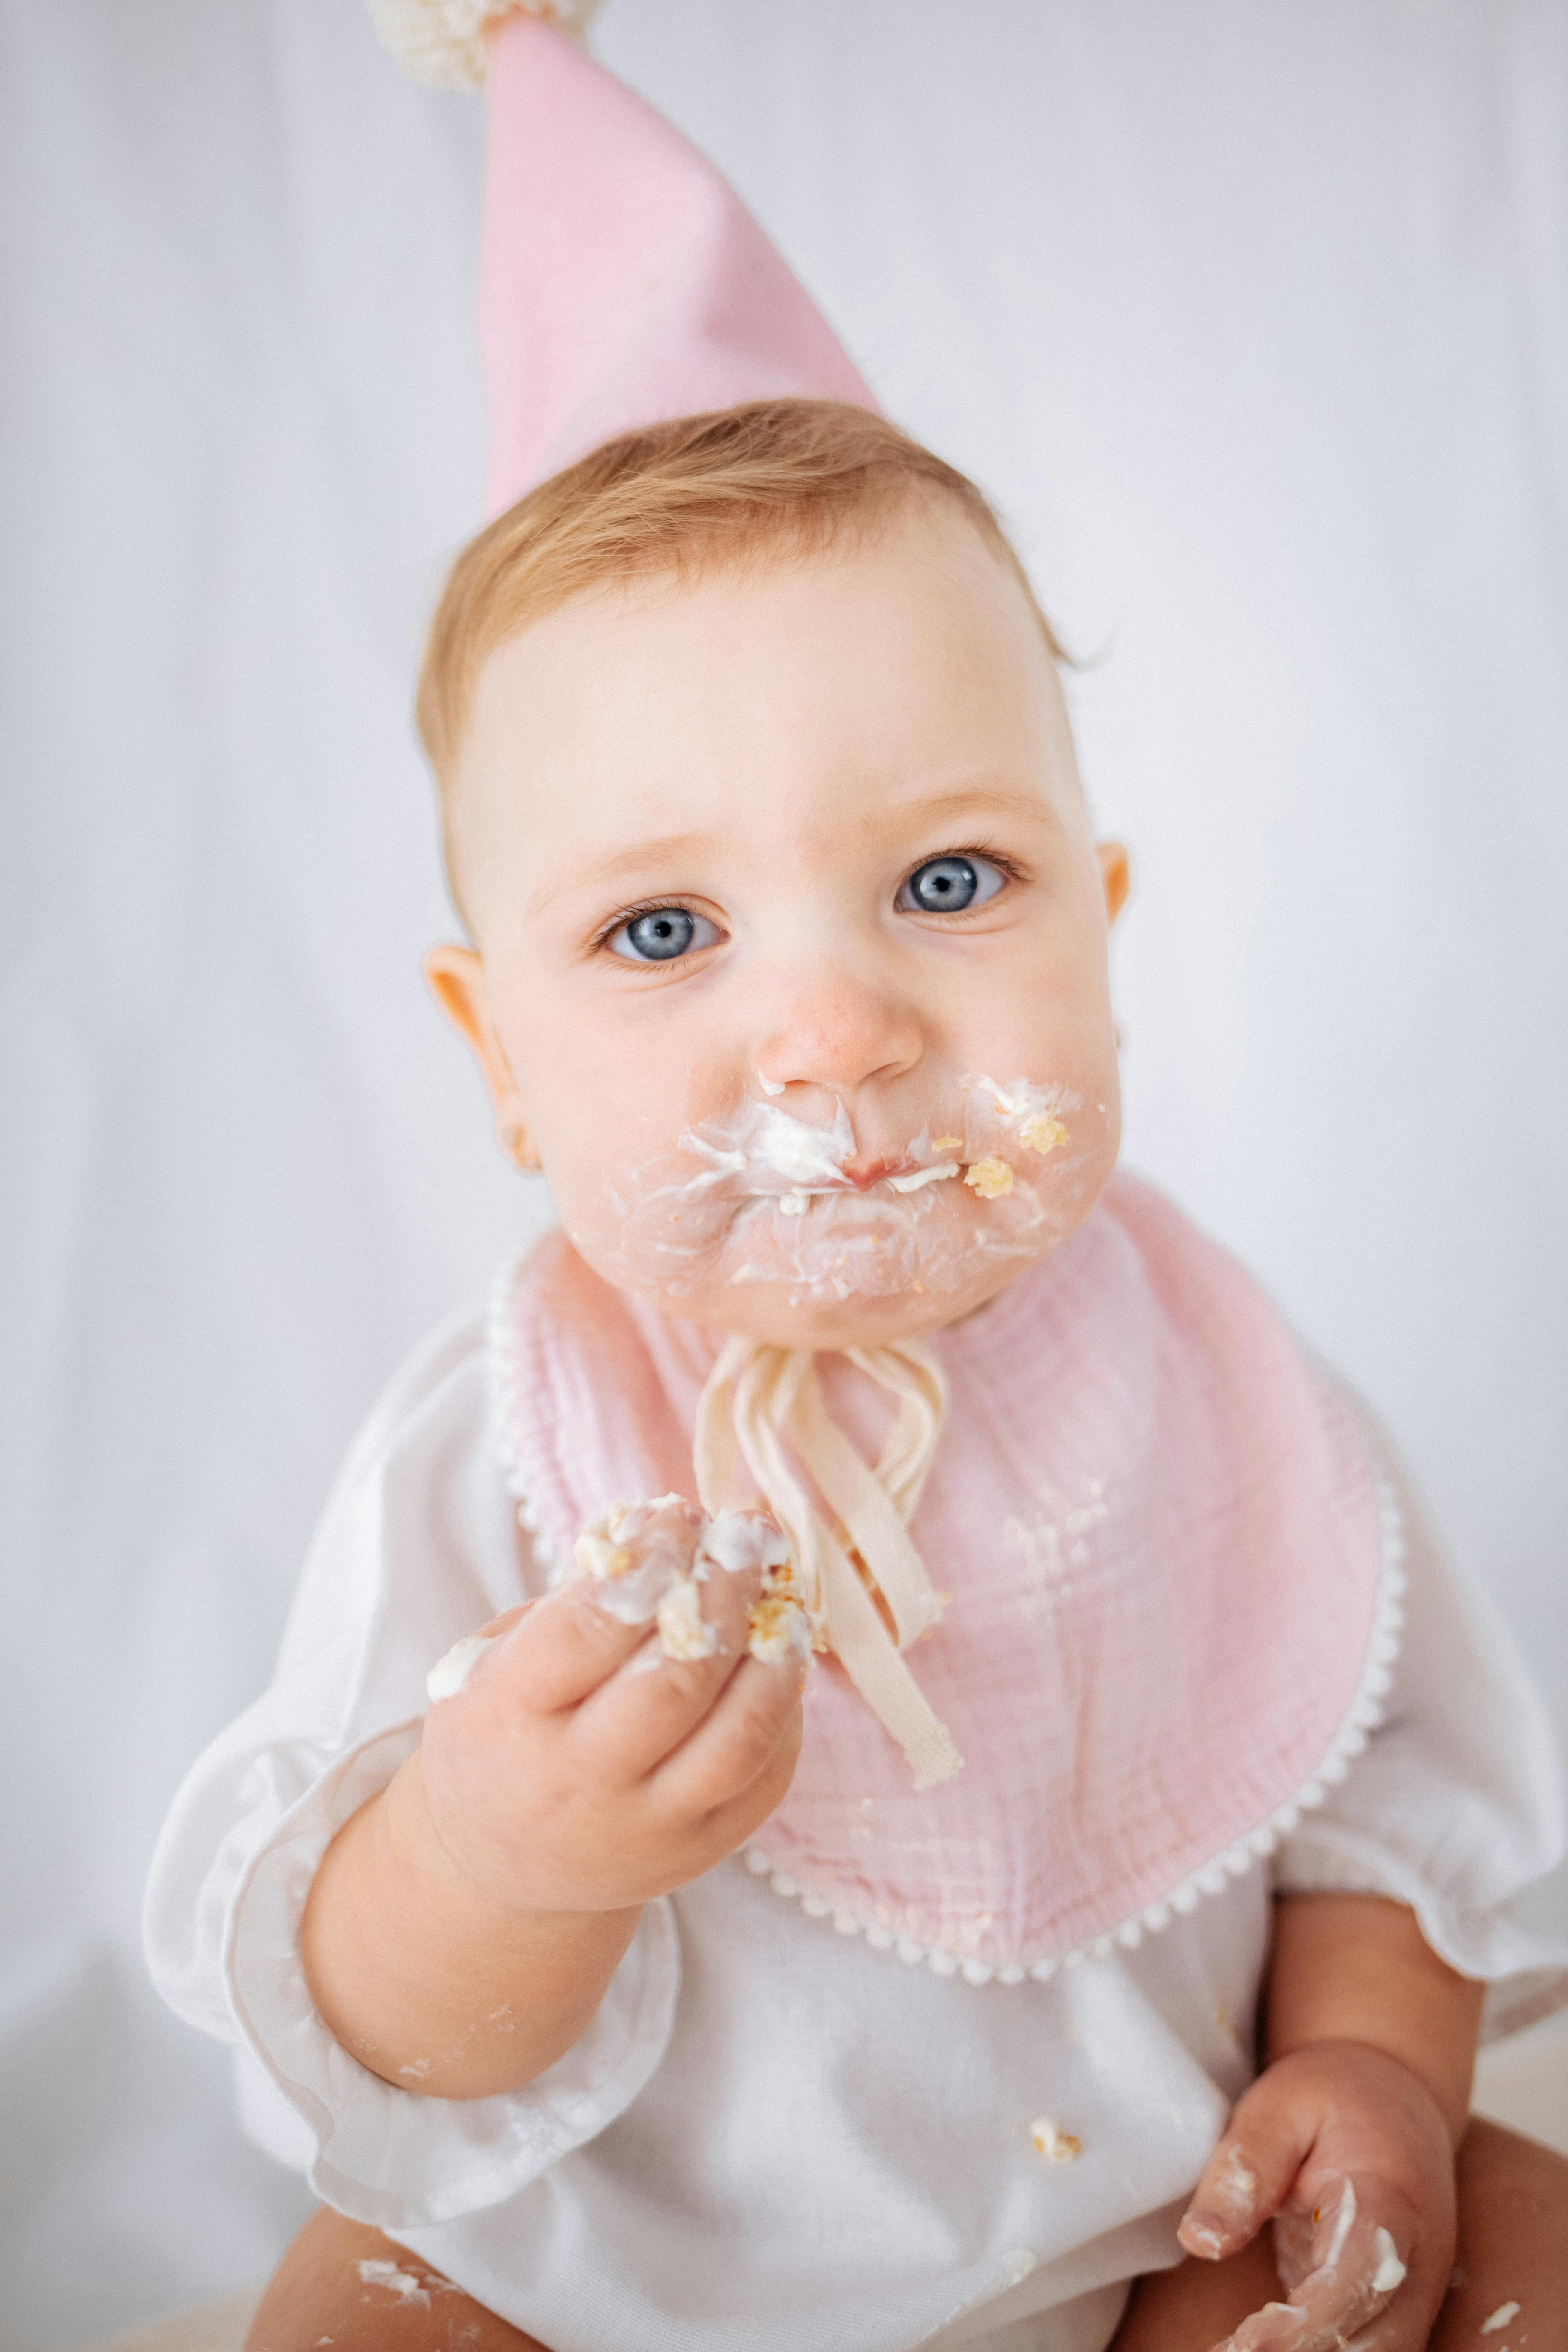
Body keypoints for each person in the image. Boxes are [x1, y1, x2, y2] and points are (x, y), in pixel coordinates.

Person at [144, 13, 1568, 2350]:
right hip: (587, 2266)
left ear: (1103, 926)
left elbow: (1373, 1790)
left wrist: (1363, 2064)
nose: (833, 1030)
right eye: (665, 932)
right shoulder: (506, 1454)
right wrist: (498, 1854)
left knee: (1496, 2239)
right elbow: (375, 2039)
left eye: (947, 881)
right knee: (362, 2306)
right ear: (496, 1058)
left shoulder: (1218, 1386)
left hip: (1147, 2221)